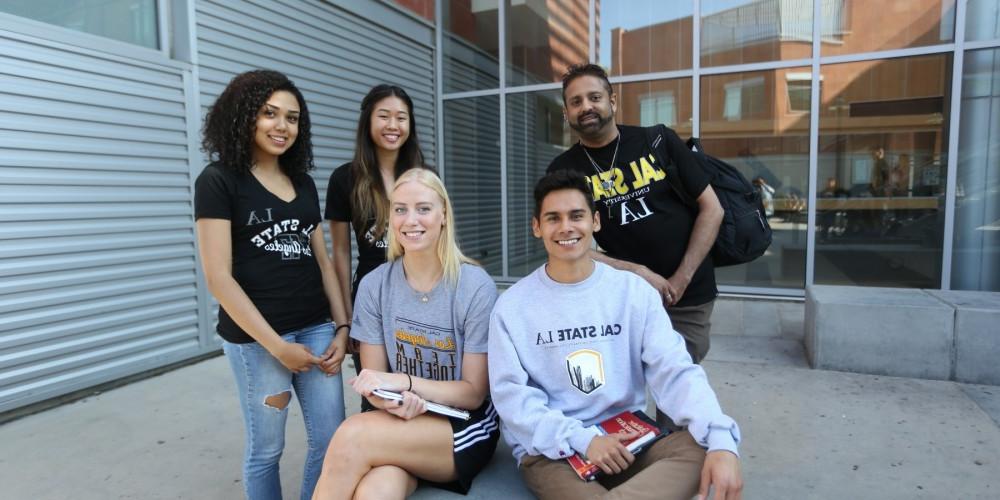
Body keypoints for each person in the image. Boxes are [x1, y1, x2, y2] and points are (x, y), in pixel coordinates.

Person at [488, 170, 743, 500]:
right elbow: (513, 400)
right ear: (537, 227)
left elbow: (675, 371)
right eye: (553, 218)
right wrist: (585, 441)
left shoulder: (633, 293)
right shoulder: (512, 307)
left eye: (576, 216)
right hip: (554, 451)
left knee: (704, 450)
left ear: (594, 221)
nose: (566, 227)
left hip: (628, 438)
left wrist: (722, 438)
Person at [194, 70, 351, 499]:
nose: (282, 126)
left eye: (293, 118)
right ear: (244, 115)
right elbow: (217, 277)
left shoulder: (301, 183)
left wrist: (342, 327)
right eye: (270, 114)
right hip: (257, 341)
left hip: (317, 328)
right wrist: (276, 346)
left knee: (332, 439)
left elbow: (322, 261)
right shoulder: (218, 180)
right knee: (267, 449)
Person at [313, 168, 500, 500]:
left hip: (462, 426)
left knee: (352, 436)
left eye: (423, 208)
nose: (410, 220)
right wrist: (391, 402)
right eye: (400, 209)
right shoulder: (374, 286)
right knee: (375, 491)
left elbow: (473, 393)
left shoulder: (474, 286)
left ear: (444, 215)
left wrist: (407, 384)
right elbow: (374, 383)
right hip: (396, 418)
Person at [547, 63, 724, 364]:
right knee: (621, 393)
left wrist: (680, 279)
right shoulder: (563, 170)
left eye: (594, 97)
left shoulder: (656, 141)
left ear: (612, 101)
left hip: (687, 297)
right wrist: (638, 273)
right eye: (576, 102)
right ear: (566, 113)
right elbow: (563, 242)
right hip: (619, 300)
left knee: (676, 387)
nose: (586, 107)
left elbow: (712, 209)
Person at [325, 84, 426, 381]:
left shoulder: (423, 177)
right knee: (375, 387)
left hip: (421, 297)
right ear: (368, 121)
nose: (393, 125)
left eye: (401, 117)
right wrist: (345, 319)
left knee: (419, 386)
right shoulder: (345, 179)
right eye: (384, 116)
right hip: (370, 302)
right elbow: (341, 253)